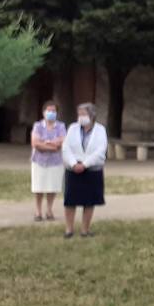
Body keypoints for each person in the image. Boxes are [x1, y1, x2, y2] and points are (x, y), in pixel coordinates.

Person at [61, 102, 107, 238]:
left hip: (92, 169)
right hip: (73, 168)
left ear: (92, 115)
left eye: (84, 114)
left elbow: (100, 150)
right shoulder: (72, 128)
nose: (80, 117)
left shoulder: (100, 130)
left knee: (89, 201)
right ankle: (69, 229)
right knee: (70, 200)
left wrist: (85, 164)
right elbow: (66, 147)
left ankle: (85, 230)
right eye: (79, 114)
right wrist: (74, 163)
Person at [30, 100, 66, 222]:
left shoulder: (61, 126)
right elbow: (35, 143)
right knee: (38, 186)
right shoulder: (38, 126)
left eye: (53, 111)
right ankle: (38, 211)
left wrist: (45, 143)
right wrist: (52, 146)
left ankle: (49, 210)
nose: (51, 113)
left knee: (52, 186)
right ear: (44, 112)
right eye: (49, 110)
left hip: (55, 162)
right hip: (39, 161)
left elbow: (62, 142)